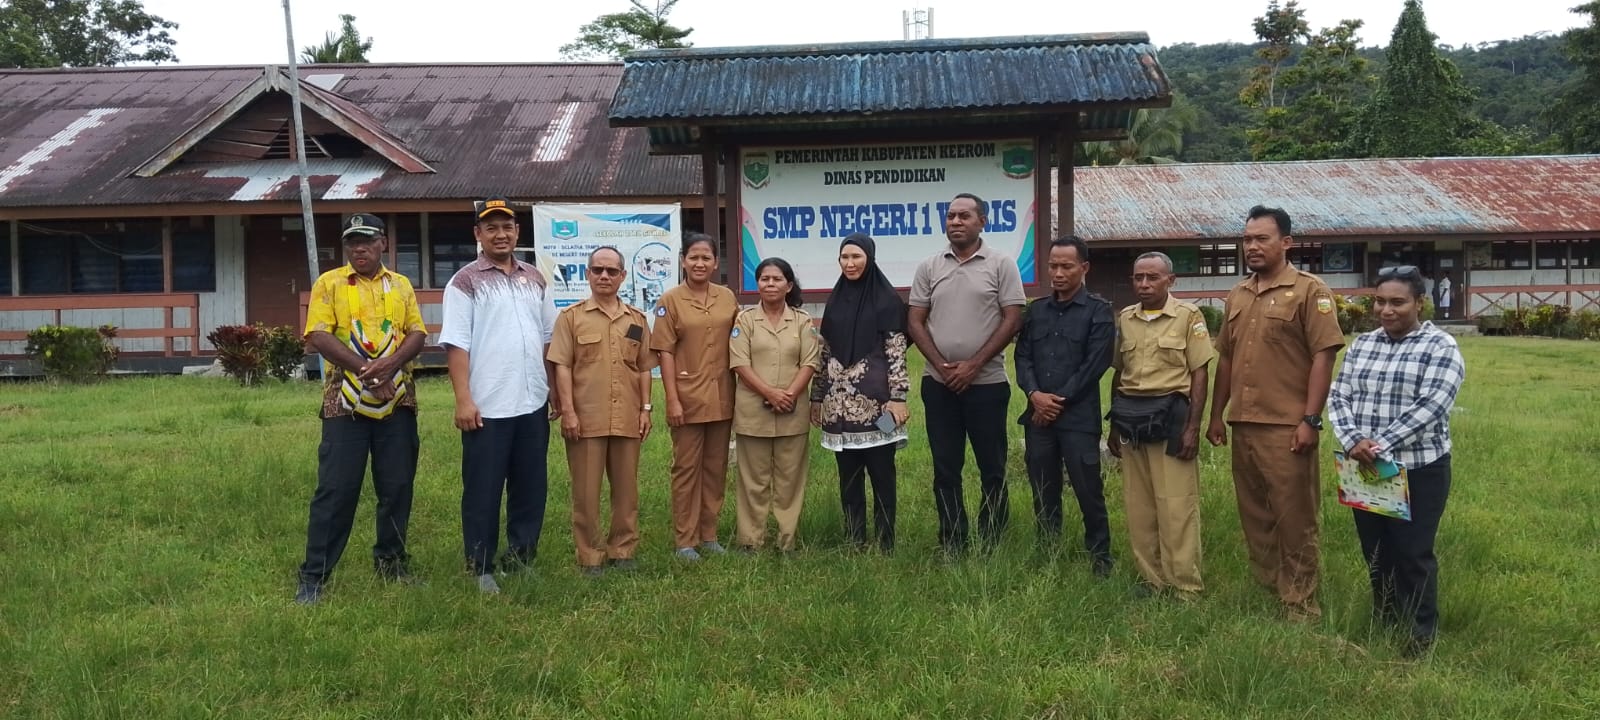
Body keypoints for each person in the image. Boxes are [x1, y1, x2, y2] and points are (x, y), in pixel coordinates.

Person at [1207, 205, 1346, 621]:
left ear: (1286, 242)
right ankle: (1269, 589)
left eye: (1261, 238)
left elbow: (1323, 356)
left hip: (1287, 426)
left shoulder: (1309, 291)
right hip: (1244, 422)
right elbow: (1226, 359)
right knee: (1255, 513)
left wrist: (1310, 419)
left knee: (1295, 516)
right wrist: (1216, 415)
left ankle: (1300, 602)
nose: (1251, 246)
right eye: (1247, 239)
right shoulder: (1238, 294)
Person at [1328, 265, 1465, 657]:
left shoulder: (1440, 347)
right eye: (1380, 301)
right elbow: (1339, 395)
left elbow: (1432, 405)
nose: (1386, 310)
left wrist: (1379, 444)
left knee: (1412, 553)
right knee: (1376, 551)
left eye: (1397, 302)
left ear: (1419, 303)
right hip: (1365, 468)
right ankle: (1384, 620)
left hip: (1418, 467)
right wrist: (1354, 440)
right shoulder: (1362, 345)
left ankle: (1420, 634)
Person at [295, 213, 428, 605]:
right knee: (336, 489)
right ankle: (314, 575)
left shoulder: (400, 285)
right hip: (344, 403)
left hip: (397, 399)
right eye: (353, 242)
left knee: (397, 485)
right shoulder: (329, 283)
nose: (360, 248)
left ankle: (392, 562)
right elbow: (319, 335)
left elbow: (417, 333)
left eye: (367, 240)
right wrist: (369, 372)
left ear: (382, 242)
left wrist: (389, 366)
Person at [439, 197, 559, 595]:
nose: (500, 234)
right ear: (478, 234)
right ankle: (481, 566)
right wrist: (463, 400)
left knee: (530, 488)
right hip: (487, 407)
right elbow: (456, 344)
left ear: (517, 231)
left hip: (532, 402)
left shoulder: (535, 279)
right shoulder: (465, 282)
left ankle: (521, 558)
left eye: (507, 226)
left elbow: (548, 338)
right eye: (491, 227)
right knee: (483, 490)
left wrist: (554, 390)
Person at [908, 193, 1026, 556]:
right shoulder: (929, 266)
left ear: (982, 222)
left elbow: (1013, 319)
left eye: (964, 216)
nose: (956, 222)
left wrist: (973, 364)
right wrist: (942, 366)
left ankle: (991, 540)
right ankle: (953, 540)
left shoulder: (1001, 264)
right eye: (950, 216)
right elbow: (915, 321)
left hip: (987, 384)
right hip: (938, 384)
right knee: (946, 468)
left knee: (992, 466)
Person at [1106, 252, 1213, 597]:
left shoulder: (1188, 316)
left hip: (1171, 419)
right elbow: (1119, 374)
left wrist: (1192, 428)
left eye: (1152, 277)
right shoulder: (1126, 318)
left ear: (1170, 280)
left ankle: (1185, 586)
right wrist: (1113, 425)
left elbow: (1199, 373)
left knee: (1176, 505)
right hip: (1132, 420)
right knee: (1139, 506)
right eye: (1138, 277)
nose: (1144, 284)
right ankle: (1152, 581)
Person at [549, 246, 657, 577]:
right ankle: (591, 555)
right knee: (585, 492)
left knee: (627, 491)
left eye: (611, 271)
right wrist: (568, 411)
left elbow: (643, 367)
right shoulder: (571, 318)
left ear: (623, 276)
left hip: (627, 415)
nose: (604, 276)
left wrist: (646, 409)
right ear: (587, 274)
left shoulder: (636, 320)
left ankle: (623, 550)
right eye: (597, 270)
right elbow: (562, 366)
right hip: (586, 418)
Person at [1014, 236, 1115, 575]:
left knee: (1088, 489)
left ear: (1084, 268)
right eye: (1053, 266)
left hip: (1078, 419)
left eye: (1066, 266)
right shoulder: (1037, 310)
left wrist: (1057, 402)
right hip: (1038, 417)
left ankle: (1100, 557)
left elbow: (1095, 364)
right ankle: (1048, 553)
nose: (1058, 273)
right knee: (1043, 489)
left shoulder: (1098, 311)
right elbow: (1023, 357)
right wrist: (1034, 395)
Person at [813, 233, 910, 553]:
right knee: (849, 479)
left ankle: (885, 543)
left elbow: (897, 354)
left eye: (856, 257)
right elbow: (825, 354)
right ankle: (854, 539)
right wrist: (817, 397)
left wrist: (898, 398)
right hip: (839, 410)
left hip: (879, 408)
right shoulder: (835, 301)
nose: (850, 263)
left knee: (883, 476)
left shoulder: (887, 300)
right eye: (844, 257)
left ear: (869, 258)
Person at [650, 233, 738, 562]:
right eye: (693, 257)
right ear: (683, 261)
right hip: (686, 399)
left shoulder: (727, 298)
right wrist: (672, 400)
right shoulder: (670, 300)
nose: (699, 263)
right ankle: (685, 540)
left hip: (722, 396)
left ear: (715, 263)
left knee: (716, 468)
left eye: (706, 258)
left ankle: (709, 534)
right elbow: (664, 352)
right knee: (686, 468)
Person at [730, 258, 821, 553]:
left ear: (789, 285)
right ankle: (750, 541)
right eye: (764, 279)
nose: (770, 284)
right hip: (753, 411)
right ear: (757, 284)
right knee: (752, 480)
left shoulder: (802, 321)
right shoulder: (744, 320)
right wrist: (770, 393)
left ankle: (786, 540)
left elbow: (810, 362)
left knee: (789, 480)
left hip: (792, 412)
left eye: (777, 279)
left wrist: (789, 395)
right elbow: (739, 363)